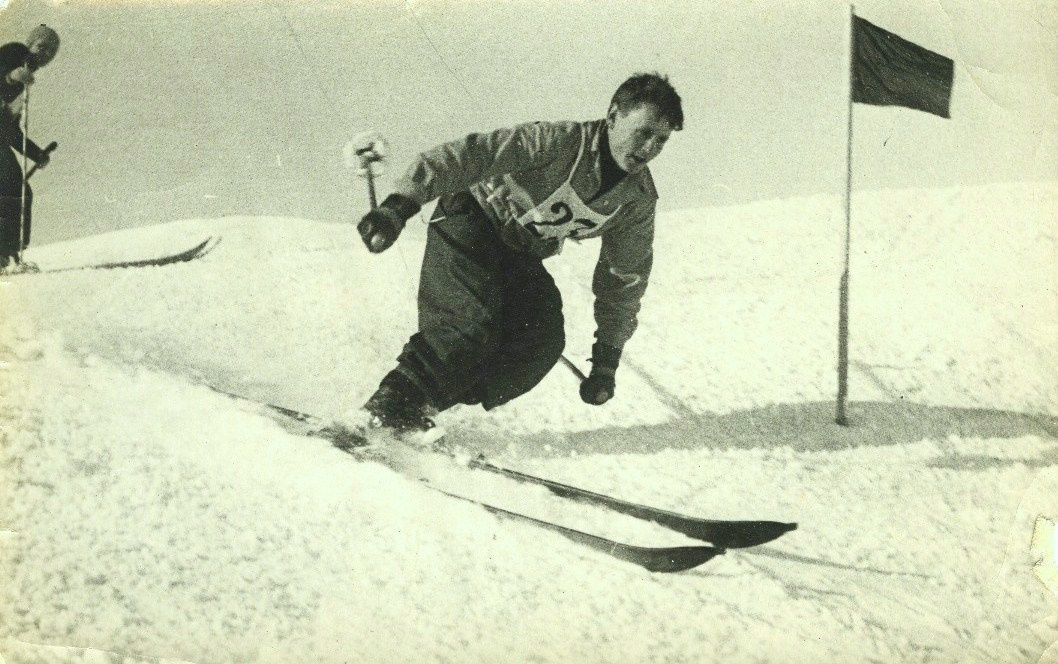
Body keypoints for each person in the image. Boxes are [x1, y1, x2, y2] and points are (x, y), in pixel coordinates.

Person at [353, 72, 683, 437]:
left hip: (519, 252)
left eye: (661, 140)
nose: (648, 148)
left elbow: (624, 278)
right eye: (642, 133)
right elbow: (470, 156)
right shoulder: (559, 142)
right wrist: (398, 206)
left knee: (540, 344)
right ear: (613, 116)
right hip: (471, 219)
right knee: (470, 326)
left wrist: (607, 359)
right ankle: (384, 409)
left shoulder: (636, 199)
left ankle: (416, 406)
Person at [0, 24, 60, 274]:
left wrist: (36, 154)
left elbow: (10, 131)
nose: (44, 54)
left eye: (50, 52)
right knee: (12, 186)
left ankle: (9, 255)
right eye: (41, 46)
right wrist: (10, 77)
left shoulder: (23, 87)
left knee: (20, 191)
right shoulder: (15, 52)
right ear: (31, 43)